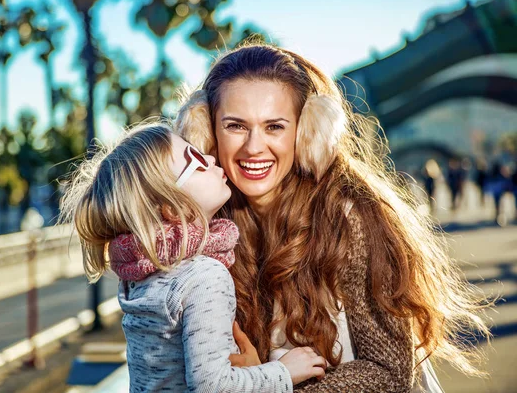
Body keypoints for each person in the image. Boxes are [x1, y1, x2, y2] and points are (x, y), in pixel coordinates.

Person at [175, 44, 490, 392]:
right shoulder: (209, 228)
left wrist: (267, 383)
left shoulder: (351, 218)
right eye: (235, 125)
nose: (253, 147)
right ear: (206, 131)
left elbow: (390, 371)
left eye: (274, 127)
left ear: (308, 131)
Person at [59, 123, 326, 392]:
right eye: (196, 160)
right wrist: (284, 372)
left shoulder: (137, 277)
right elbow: (212, 387)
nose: (210, 158)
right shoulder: (204, 276)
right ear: (173, 208)